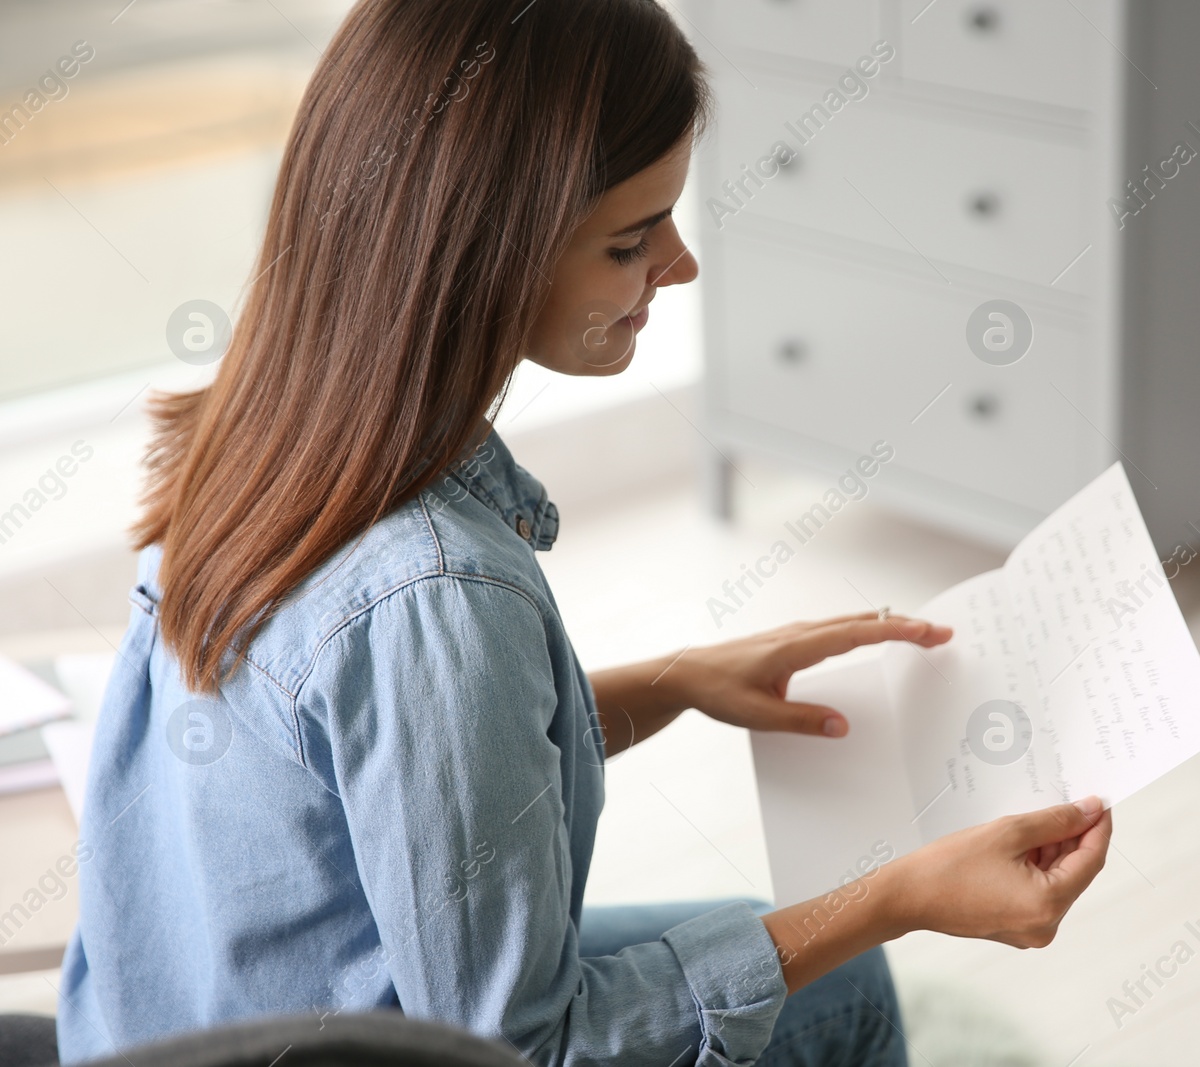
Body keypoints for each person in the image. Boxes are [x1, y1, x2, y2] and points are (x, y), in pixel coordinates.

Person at [55, 1, 1112, 1063]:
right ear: (482, 253)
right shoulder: (434, 595)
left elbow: (389, 780)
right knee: (846, 981)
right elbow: (531, 1047)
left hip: (168, 1023)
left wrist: (677, 679)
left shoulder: (266, 430)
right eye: (630, 238)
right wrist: (895, 895)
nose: (681, 263)